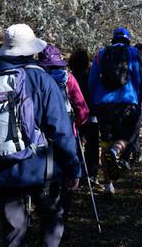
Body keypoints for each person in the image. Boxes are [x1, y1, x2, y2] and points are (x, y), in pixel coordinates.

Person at [0, 24, 81, 246]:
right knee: (51, 218)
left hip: (3, 168)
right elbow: (60, 129)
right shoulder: (41, 79)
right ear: (32, 50)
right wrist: (73, 167)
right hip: (42, 167)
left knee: (13, 231)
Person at [38, 44, 89, 224]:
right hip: (67, 135)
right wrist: (76, 126)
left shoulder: (37, 79)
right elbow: (82, 110)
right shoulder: (68, 79)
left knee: (47, 178)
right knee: (68, 178)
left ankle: (46, 216)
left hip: (40, 139)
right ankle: (61, 218)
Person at [89, 27, 142, 195]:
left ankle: (108, 185)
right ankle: (116, 151)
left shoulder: (101, 53)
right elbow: (139, 78)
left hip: (103, 104)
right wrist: (138, 99)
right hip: (127, 102)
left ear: (113, 39)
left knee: (105, 142)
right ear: (128, 39)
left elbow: (92, 80)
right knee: (127, 137)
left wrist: (94, 101)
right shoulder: (134, 53)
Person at [68, 49, 100, 185]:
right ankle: (91, 174)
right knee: (92, 145)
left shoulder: (70, 77)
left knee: (77, 145)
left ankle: (79, 173)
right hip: (92, 115)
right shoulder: (91, 76)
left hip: (75, 116)